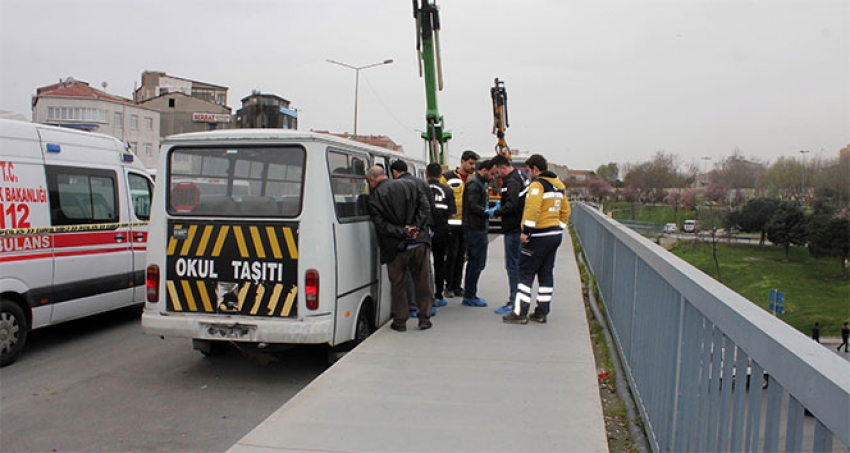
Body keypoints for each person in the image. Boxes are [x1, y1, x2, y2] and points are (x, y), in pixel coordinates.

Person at [503, 154, 571, 324]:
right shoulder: (558, 186)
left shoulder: (537, 185)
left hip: (539, 235)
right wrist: (559, 227)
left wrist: (526, 231)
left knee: (525, 273)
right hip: (554, 235)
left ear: (535, 169)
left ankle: (520, 313)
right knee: (546, 273)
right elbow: (566, 211)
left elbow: (532, 209)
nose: (528, 174)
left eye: (528, 170)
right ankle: (542, 312)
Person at [366, 165, 434, 332]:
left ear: (372, 180)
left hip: (395, 248)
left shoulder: (375, 197)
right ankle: (424, 318)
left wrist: (403, 232)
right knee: (422, 281)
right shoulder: (411, 185)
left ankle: (400, 321)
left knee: (398, 285)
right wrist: (415, 229)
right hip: (418, 243)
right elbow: (425, 208)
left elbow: (381, 225)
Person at [390, 159, 437, 318]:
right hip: (423, 235)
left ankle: (412, 306)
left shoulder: (396, 186)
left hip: (406, 235)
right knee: (425, 272)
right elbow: (430, 207)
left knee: (408, 273)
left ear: (395, 172)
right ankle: (429, 305)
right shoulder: (422, 183)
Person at [488, 154, 527, 315]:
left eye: (497, 172)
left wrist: (496, 211)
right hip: (516, 227)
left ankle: (514, 301)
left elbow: (512, 205)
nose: (496, 176)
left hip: (513, 229)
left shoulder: (511, 182)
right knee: (516, 265)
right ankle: (516, 299)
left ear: (503, 167)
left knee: (512, 266)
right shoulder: (518, 178)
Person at [440, 150, 479, 298]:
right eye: (470, 163)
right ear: (462, 161)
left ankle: (457, 285)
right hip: (451, 224)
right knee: (452, 255)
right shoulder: (447, 177)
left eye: (474, 163)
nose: (472, 166)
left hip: (467, 223)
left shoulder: (474, 178)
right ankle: (448, 285)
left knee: (462, 256)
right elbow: (442, 197)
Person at [461, 159, 496, 307]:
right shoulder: (475, 184)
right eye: (492, 173)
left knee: (478, 262)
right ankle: (470, 294)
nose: (493, 176)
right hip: (475, 228)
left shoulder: (479, 183)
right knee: (476, 261)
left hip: (478, 227)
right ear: (485, 170)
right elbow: (471, 205)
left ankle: (471, 293)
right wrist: (486, 212)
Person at [427, 162, 456, 309]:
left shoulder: (421, 188)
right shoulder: (447, 190)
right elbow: (452, 212)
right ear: (440, 175)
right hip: (442, 231)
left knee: (424, 266)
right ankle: (439, 295)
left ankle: (426, 298)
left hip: (424, 232)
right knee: (439, 264)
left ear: (426, 174)